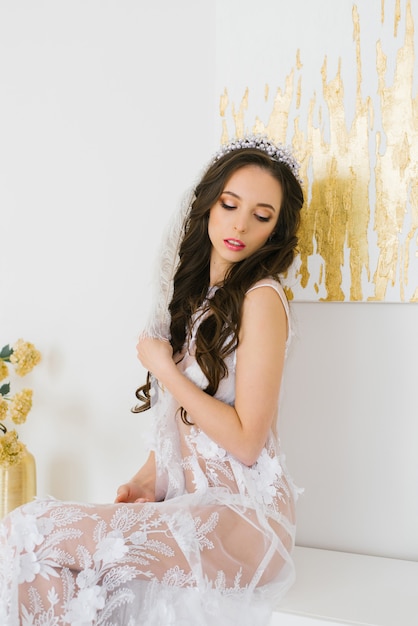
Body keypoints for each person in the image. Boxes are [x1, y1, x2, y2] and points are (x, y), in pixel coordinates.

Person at [0, 135, 304, 625]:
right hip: (194, 505)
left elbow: (246, 442)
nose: (240, 224)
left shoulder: (261, 299)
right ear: (208, 203)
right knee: (60, 567)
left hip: (241, 521)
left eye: (262, 215)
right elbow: (183, 422)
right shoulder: (200, 300)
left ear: (276, 230)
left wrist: (164, 368)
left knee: (27, 526)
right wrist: (146, 478)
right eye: (229, 204)